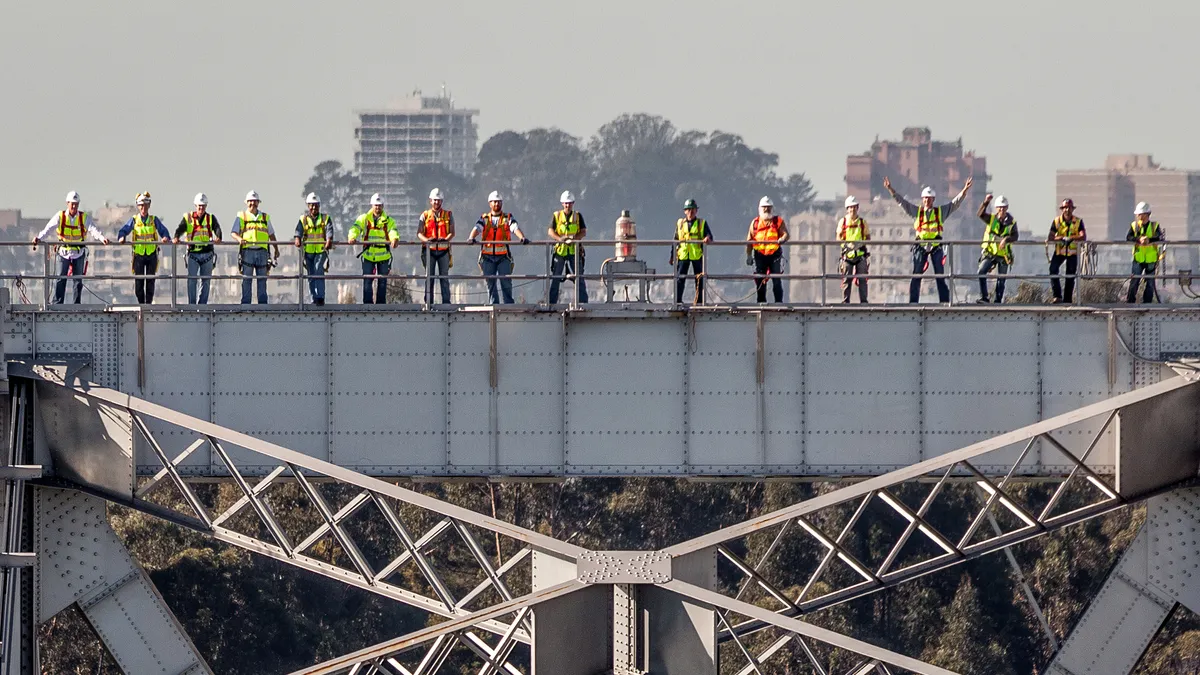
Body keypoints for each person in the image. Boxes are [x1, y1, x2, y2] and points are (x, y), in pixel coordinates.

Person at [883, 176, 973, 303]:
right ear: (922, 199)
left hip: (936, 246)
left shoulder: (940, 212)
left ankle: (944, 301)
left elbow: (955, 204)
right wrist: (890, 189)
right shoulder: (916, 212)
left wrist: (965, 190)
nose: (927, 201)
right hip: (920, 245)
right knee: (916, 275)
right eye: (925, 198)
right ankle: (913, 302)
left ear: (933, 200)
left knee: (940, 276)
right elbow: (902, 202)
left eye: (929, 199)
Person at [32, 191, 110, 304]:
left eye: (76, 204)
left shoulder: (83, 217)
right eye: (72, 204)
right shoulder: (60, 216)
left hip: (78, 252)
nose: (74, 206)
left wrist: (103, 239)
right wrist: (38, 238)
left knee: (77, 281)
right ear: (67, 203)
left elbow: (93, 229)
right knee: (60, 279)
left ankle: (76, 304)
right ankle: (57, 303)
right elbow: (48, 229)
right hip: (63, 252)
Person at [467, 191, 528, 304]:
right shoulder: (485, 218)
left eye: (498, 202)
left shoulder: (507, 217)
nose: (496, 204)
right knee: (490, 283)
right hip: (487, 257)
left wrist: (522, 238)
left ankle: (508, 304)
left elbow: (514, 227)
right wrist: (471, 238)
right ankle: (494, 304)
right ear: (490, 203)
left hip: (503, 256)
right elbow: (478, 228)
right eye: (494, 202)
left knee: (506, 282)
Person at [116, 192, 171, 304]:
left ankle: (148, 304)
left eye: (145, 205)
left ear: (149, 205)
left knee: (150, 282)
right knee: (139, 284)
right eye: (141, 205)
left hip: (151, 254)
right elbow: (124, 230)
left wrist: (165, 237)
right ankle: (141, 303)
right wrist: (122, 237)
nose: (143, 207)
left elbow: (163, 231)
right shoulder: (134, 220)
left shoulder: (154, 220)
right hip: (139, 254)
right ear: (138, 206)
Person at [230, 191, 280, 304]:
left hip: (262, 252)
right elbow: (233, 232)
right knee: (247, 279)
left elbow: (271, 235)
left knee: (262, 280)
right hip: (248, 251)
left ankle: (262, 305)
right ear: (246, 202)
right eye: (250, 201)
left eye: (255, 201)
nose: (253, 203)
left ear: (258, 202)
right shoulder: (241, 216)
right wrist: (239, 239)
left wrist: (276, 249)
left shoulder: (265, 217)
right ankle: (246, 304)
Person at [349, 193, 400, 304]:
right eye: (376, 205)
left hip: (383, 255)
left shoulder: (388, 221)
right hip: (368, 254)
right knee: (367, 280)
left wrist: (394, 239)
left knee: (382, 282)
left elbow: (393, 231)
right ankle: (367, 304)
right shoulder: (364, 219)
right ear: (372, 205)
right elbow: (355, 227)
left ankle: (380, 305)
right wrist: (352, 237)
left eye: (380, 205)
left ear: (383, 206)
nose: (377, 207)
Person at [174, 193, 222, 304]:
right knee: (192, 280)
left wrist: (219, 237)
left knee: (206, 281)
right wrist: (176, 237)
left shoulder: (210, 218)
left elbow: (217, 228)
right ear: (196, 206)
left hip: (207, 253)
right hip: (193, 254)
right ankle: (192, 305)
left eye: (203, 206)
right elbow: (180, 228)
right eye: (199, 206)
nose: (201, 208)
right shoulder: (188, 218)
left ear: (206, 206)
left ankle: (202, 305)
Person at [976, 194, 1018, 304]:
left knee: (1001, 280)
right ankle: (984, 297)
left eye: (1003, 207)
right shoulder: (991, 219)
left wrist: (1006, 239)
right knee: (981, 271)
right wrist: (986, 202)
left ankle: (997, 301)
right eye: (999, 207)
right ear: (996, 208)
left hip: (1003, 254)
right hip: (990, 252)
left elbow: (1015, 236)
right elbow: (980, 214)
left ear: (1007, 208)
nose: (1001, 209)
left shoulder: (1012, 222)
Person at [745, 196, 789, 303]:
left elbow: (786, 234)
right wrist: (749, 255)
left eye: (768, 207)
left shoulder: (777, 221)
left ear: (772, 209)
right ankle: (761, 303)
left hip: (774, 256)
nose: (766, 210)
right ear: (760, 209)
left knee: (776, 281)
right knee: (760, 281)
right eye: (764, 207)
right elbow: (749, 240)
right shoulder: (755, 223)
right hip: (760, 256)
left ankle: (778, 303)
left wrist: (781, 239)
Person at [547, 191, 588, 304]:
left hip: (573, 250)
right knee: (556, 277)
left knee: (579, 276)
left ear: (573, 203)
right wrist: (560, 239)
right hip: (560, 251)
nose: (567, 205)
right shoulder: (557, 216)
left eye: (569, 203)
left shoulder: (577, 216)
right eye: (565, 203)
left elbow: (583, 231)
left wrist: (575, 239)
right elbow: (550, 231)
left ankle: (583, 302)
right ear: (562, 203)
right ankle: (552, 302)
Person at [294, 192, 334, 306]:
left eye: (316, 205)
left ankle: (320, 297)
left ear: (319, 206)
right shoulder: (303, 219)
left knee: (318, 270)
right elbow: (298, 231)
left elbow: (329, 230)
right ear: (308, 206)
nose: (314, 207)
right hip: (308, 251)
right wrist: (297, 238)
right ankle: (314, 298)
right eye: (311, 205)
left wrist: (329, 240)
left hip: (321, 250)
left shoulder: (325, 218)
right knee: (311, 274)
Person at [417, 188, 455, 304]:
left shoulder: (448, 215)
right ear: (430, 201)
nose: (436, 202)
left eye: (438, 200)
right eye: (434, 200)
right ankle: (428, 302)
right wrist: (427, 241)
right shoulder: (424, 215)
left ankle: (446, 302)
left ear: (441, 201)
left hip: (443, 251)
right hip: (429, 251)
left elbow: (452, 233)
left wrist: (445, 240)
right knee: (429, 278)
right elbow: (419, 233)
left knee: (444, 278)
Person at [672, 198, 712, 305]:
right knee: (680, 278)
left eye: (693, 209)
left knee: (699, 279)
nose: (690, 212)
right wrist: (672, 256)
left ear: (696, 211)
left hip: (696, 254)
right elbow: (675, 240)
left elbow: (709, 235)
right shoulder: (680, 223)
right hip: (683, 254)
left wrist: (707, 238)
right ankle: (678, 300)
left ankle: (699, 301)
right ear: (685, 211)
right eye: (688, 210)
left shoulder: (701, 223)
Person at [1047, 198, 1087, 304]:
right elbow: (1050, 237)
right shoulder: (1057, 221)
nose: (1067, 210)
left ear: (1072, 209)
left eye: (1069, 208)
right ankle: (1057, 296)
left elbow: (1083, 237)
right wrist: (1061, 238)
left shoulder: (1078, 222)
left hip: (1072, 252)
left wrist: (1072, 238)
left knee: (1070, 275)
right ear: (1062, 209)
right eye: (1065, 208)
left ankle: (1067, 299)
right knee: (1053, 270)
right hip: (1060, 251)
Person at [1126, 202, 1164, 304]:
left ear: (1146, 214)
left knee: (1150, 283)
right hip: (1138, 258)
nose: (1138, 216)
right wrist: (1139, 239)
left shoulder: (1154, 226)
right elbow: (1129, 237)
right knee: (1134, 281)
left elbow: (1160, 237)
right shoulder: (1134, 226)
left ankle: (1147, 303)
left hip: (1151, 259)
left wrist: (1149, 240)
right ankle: (1130, 302)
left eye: (1140, 214)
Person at [837, 196, 870, 304]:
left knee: (862, 279)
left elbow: (867, 237)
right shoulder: (843, 222)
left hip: (860, 255)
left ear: (857, 208)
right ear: (847, 209)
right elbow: (838, 238)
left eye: (854, 207)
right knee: (846, 279)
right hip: (847, 255)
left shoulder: (862, 222)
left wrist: (859, 244)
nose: (852, 210)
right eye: (850, 207)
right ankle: (845, 301)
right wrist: (847, 246)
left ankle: (864, 301)